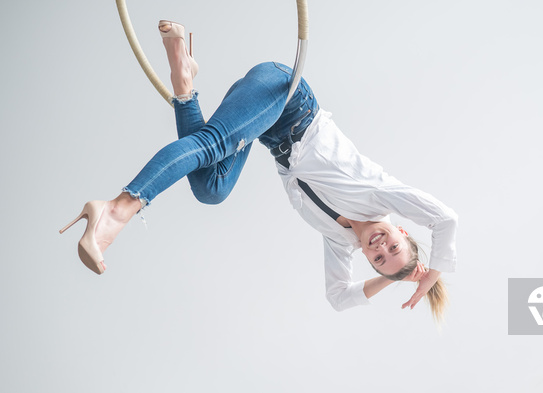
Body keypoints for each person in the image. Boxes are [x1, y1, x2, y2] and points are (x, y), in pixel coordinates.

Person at [60, 21, 457, 321]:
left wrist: (392, 279)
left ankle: (184, 79)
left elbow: (338, 298)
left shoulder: (339, 241)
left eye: (379, 260)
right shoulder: (381, 195)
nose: (381, 248)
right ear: (402, 231)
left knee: (212, 189)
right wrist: (431, 273)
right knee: (212, 145)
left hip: (267, 133)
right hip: (286, 97)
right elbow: (445, 219)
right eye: (393, 246)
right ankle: (116, 209)